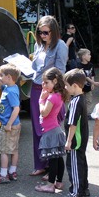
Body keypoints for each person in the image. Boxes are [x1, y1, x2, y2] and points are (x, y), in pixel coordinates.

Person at [29, 16, 68, 177]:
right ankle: (40, 164)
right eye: (40, 32)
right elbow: (34, 68)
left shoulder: (60, 45)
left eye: (45, 32)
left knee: (51, 130)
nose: (42, 35)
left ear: (54, 31)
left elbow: (61, 72)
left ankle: (53, 169)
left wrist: (54, 93)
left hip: (51, 92)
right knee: (38, 129)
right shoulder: (39, 45)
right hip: (36, 89)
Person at [34, 67, 68, 194]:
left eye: (46, 82)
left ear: (54, 81)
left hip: (51, 132)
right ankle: (58, 182)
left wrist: (41, 99)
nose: (43, 85)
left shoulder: (51, 97)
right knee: (58, 158)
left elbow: (44, 112)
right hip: (55, 130)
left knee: (53, 160)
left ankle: (50, 185)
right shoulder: (59, 95)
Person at [0, 64, 22, 185]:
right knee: (14, 149)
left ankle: (3, 175)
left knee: (4, 151)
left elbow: (16, 109)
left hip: (9, 126)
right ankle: (12, 172)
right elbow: (0, 86)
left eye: (1, 75)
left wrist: (8, 124)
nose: (0, 77)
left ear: (9, 77)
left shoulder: (11, 92)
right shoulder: (10, 87)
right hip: (14, 125)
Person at [61, 69, 90, 197]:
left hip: (75, 140)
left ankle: (75, 192)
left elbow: (72, 124)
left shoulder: (74, 102)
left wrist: (68, 141)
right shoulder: (82, 98)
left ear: (75, 86)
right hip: (82, 138)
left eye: (67, 85)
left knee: (74, 165)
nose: (66, 88)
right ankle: (84, 188)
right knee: (81, 162)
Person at [76, 48, 99, 114]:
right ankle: (80, 113)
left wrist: (92, 84)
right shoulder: (79, 66)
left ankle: (87, 113)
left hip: (88, 87)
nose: (90, 56)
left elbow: (92, 74)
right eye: (88, 54)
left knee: (89, 100)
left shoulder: (91, 65)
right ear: (83, 56)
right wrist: (94, 83)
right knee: (81, 100)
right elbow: (85, 76)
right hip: (81, 87)